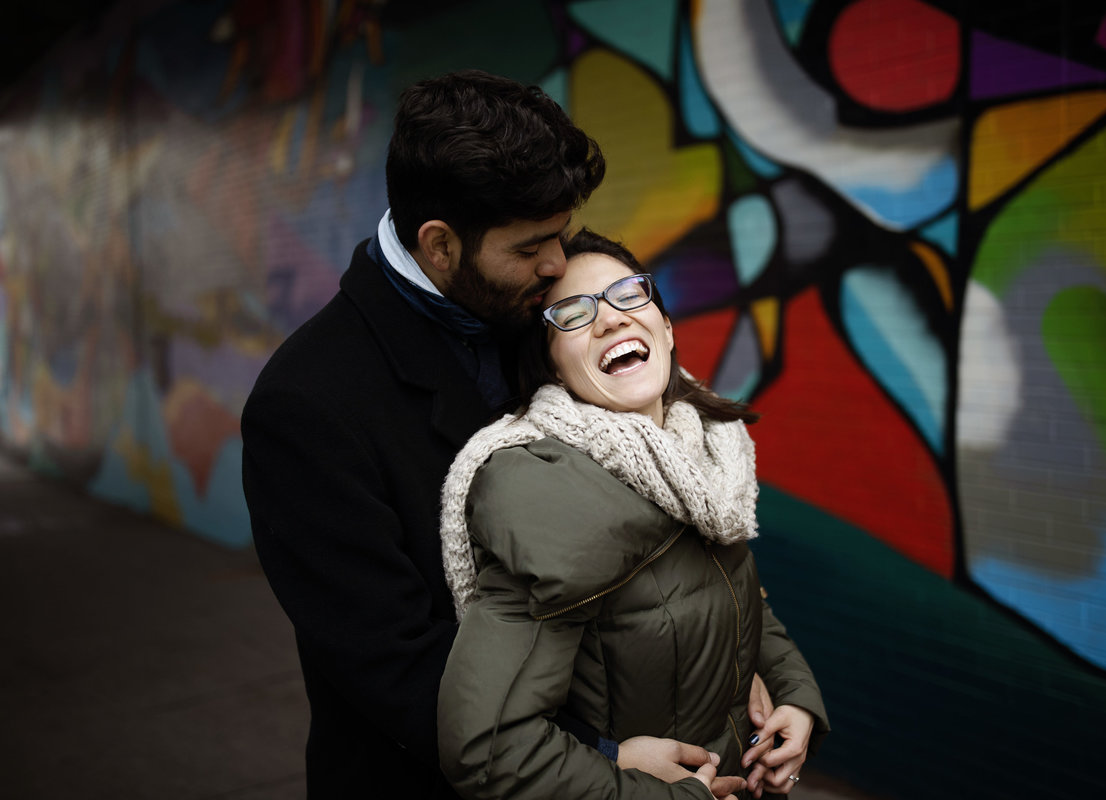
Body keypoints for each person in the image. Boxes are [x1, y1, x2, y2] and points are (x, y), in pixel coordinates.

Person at [242, 71, 783, 798]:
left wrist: (732, 660)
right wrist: (598, 756)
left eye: (560, 235)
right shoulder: (306, 404)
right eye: (532, 247)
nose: (558, 266)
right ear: (439, 246)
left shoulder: (536, 308)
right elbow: (392, 662)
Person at [437, 229, 831, 800]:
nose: (612, 318)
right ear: (549, 364)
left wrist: (794, 695)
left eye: (628, 294)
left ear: (666, 327)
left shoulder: (708, 454)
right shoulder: (549, 494)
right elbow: (489, 749)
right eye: (572, 313)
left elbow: (735, 601)